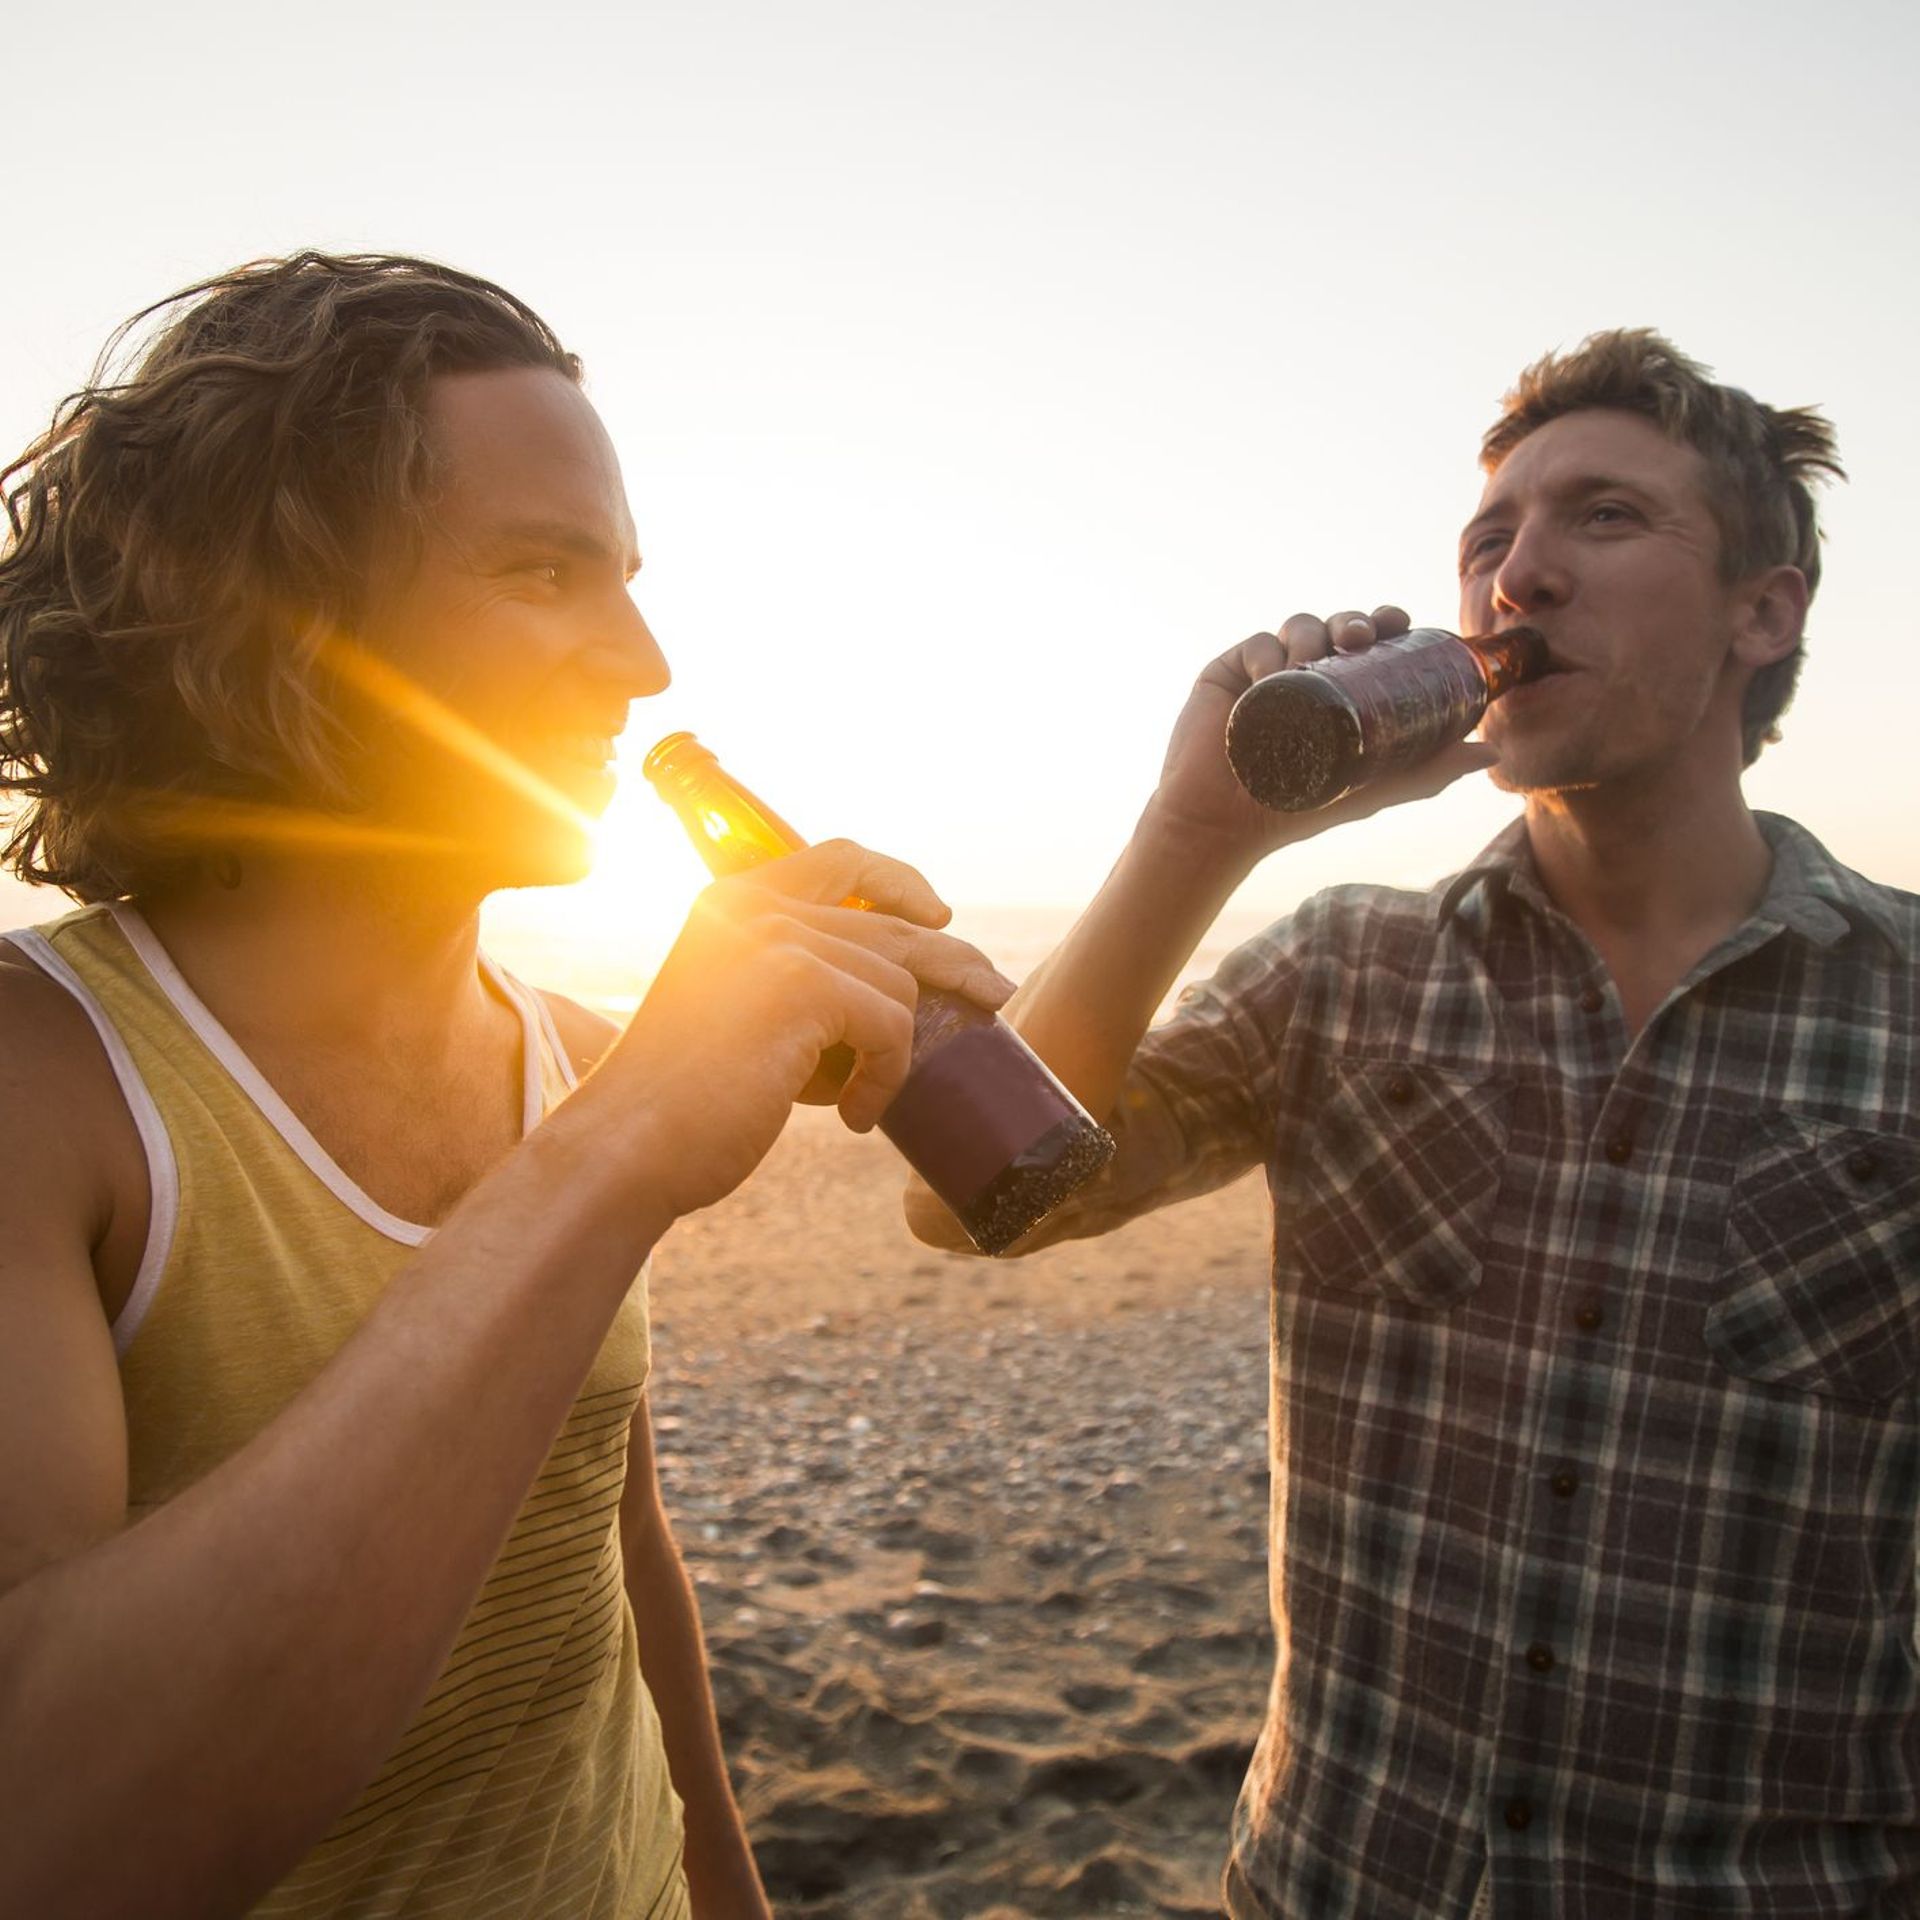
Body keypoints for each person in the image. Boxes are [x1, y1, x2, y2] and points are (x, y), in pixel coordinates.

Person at [0, 252, 1011, 1919]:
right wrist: (613, 1152)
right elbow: (49, 1843)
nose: (645, 661)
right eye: (545, 573)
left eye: (626, 578)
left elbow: (605, 1548)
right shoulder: (49, 1083)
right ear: (273, 614)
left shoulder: (572, 1052)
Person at [910, 331, 1920, 1916]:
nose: (1518, 577)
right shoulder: (1343, 969)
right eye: (1488, 540)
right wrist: (1199, 833)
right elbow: (979, 1193)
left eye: (1603, 518)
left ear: (1765, 607)